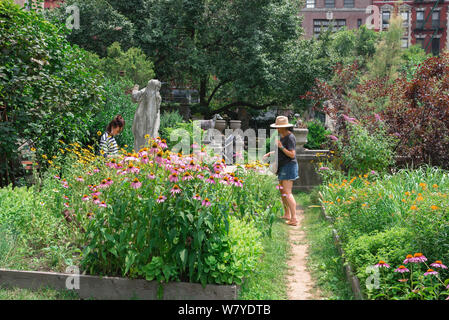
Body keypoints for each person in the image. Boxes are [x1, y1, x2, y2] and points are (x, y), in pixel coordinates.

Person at [263, 116, 299, 226]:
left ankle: (294, 219)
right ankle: (287, 214)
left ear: (283, 127)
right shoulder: (282, 136)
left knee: (287, 192)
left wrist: (281, 147)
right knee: (282, 192)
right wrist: (270, 154)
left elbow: (292, 154)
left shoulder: (290, 137)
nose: (277, 128)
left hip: (289, 166)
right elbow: (282, 152)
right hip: (282, 166)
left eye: (278, 127)